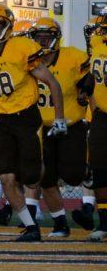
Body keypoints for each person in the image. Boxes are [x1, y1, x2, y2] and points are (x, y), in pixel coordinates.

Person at [0, 3, 65, 242]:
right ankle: (31, 227)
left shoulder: (22, 47)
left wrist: (59, 118)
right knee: (5, 177)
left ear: (7, 26)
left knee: (30, 176)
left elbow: (53, 83)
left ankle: (38, 183)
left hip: (26, 117)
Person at [29, 18, 89, 238]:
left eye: (47, 36)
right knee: (47, 178)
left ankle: (89, 179)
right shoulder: (28, 60)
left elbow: (88, 82)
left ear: (57, 37)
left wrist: (84, 95)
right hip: (41, 127)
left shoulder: (73, 57)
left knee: (73, 176)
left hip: (70, 124)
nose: (43, 40)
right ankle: (60, 223)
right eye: (39, 36)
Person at [83, 13, 107, 241]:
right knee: (99, 169)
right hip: (101, 116)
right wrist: (86, 90)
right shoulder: (98, 43)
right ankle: (104, 222)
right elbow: (94, 74)